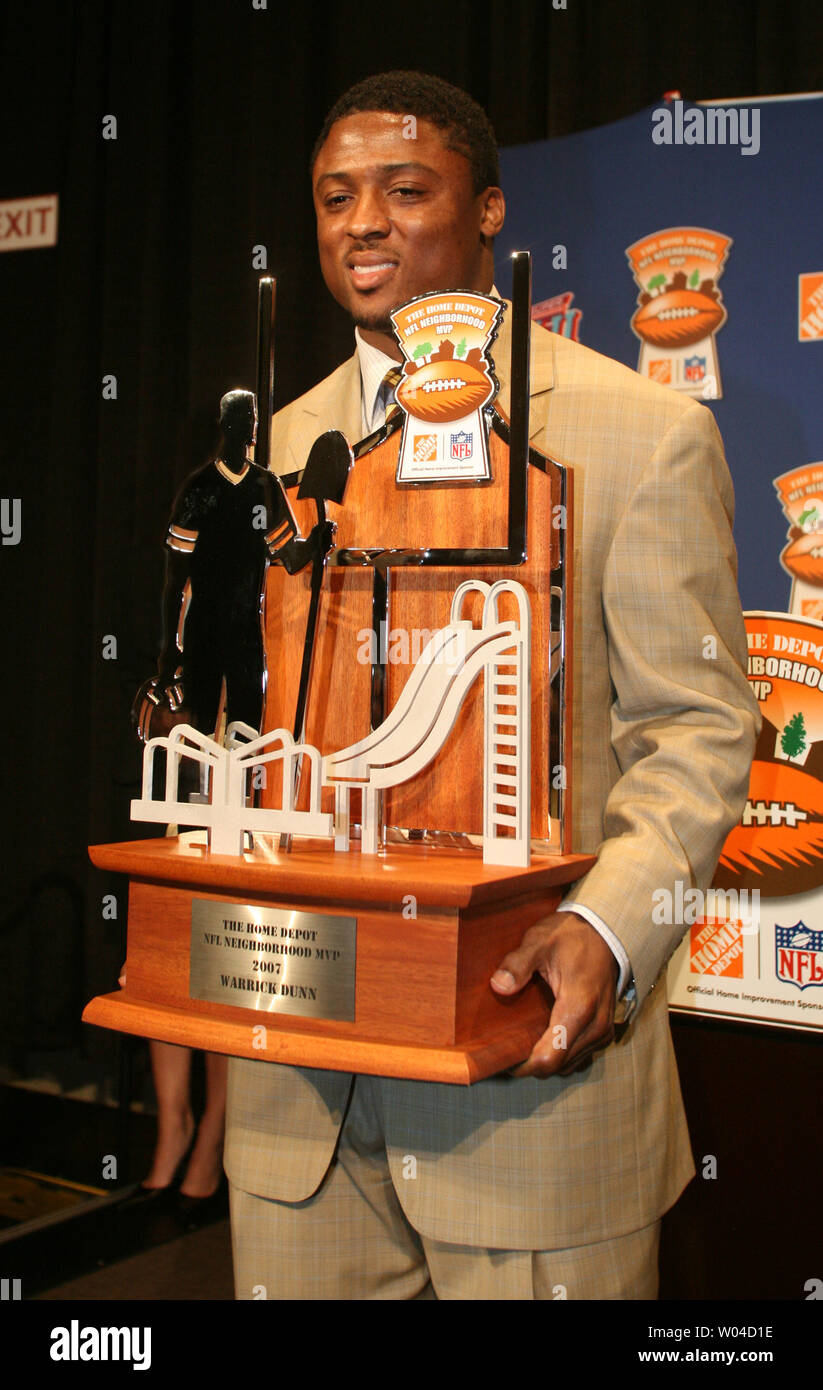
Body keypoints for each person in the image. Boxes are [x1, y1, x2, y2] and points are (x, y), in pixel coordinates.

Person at [223, 71, 760, 1300]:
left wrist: (613, 929)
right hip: (300, 1106)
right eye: (335, 196)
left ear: (488, 214)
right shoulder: (267, 451)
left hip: (534, 1104)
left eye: (405, 190)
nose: (363, 221)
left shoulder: (637, 432)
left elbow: (696, 729)